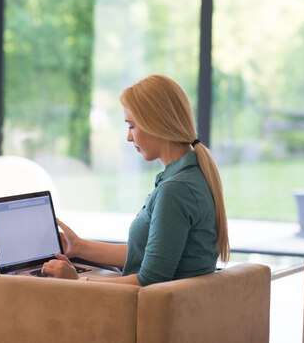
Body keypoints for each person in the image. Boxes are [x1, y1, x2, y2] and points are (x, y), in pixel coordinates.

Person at [41, 74, 230, 286]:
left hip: (144, 310)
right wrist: (79, 246)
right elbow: (152, 255)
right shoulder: (193, 175)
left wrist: (76, 281)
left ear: (156, 124)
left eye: (131, 126)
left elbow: (149, 280)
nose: (128, 137)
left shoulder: (176, 189)